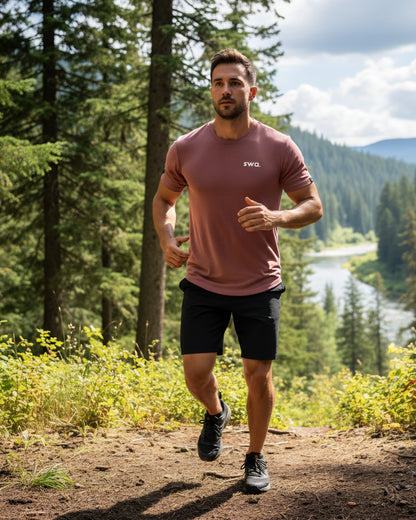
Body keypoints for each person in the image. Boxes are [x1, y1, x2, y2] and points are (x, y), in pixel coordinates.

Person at [152, 49, 323, 493]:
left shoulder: (278, 146)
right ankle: (215, 412)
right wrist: (167, 239)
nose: (225, 90)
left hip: (259, 283)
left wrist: (276, 217)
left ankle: (254, 456)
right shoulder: (187, 147)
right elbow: (164, 201)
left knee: (257, 374)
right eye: (217, 83)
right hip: (204, 280)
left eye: (233, 83)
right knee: (195, 372)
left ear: (251, 90)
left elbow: (313, 206)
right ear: (211, 89)